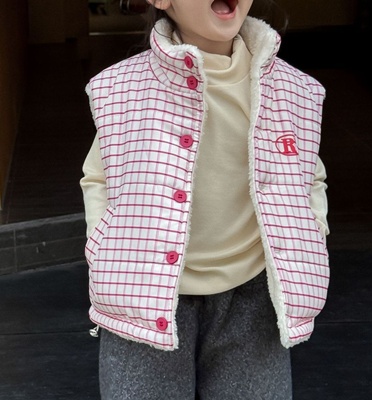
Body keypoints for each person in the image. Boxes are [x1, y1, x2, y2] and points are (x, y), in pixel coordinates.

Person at [80, 0, 330, 398]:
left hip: (254, 296)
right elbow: (99, 176)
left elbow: (309, 173)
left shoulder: (294, 90)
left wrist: (312, 231)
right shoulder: (122, 88)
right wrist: (102, 244)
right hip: (145, 293)